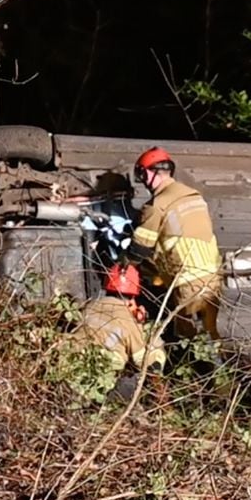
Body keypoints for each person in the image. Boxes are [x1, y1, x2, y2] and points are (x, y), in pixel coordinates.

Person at [127, 146, 222, 340]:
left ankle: (203, 369)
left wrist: (122, 263)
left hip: (186, 283)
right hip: (213, 279)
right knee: (211, 335)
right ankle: (224, 368)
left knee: (189, 341)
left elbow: (139, 250)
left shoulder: (157, 205)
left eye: (142, 176)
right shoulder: (193, 196)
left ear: (146, 173)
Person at [77, 264, 167, 388]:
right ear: (134, 297)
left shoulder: (89, 306)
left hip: (73, 361)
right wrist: (141, 326)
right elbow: (142, 360)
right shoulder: (128, 319)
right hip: (100, 375)